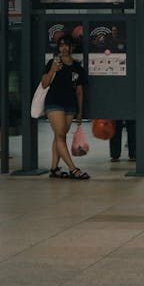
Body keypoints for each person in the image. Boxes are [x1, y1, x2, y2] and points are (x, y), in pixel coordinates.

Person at [41, 35, 90, 180]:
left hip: (70, 105)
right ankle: (73, 169)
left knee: (58, 136)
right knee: (61, 136)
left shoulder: (77, 67)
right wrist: (52, 70)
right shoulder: (53, 63)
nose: (63, 48)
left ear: (72, 47)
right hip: (54, 103)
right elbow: (44, 84)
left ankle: (54, 168)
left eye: (66, 45)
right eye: (61, 45)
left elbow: (79, 91)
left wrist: (80, 112)